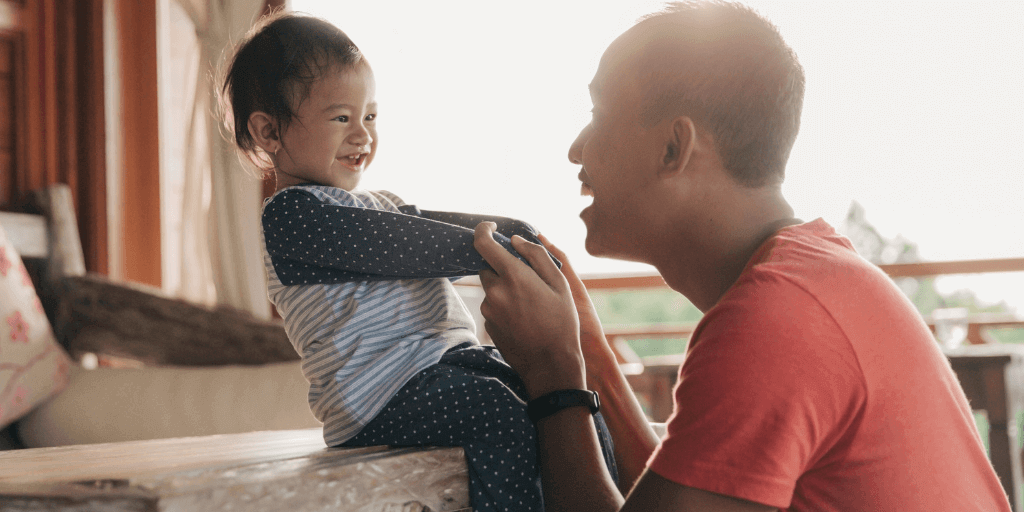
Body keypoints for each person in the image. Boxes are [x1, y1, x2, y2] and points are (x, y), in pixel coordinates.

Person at [471, 1, 1012, 511]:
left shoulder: (776, 324)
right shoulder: (817, 280)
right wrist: (587, 350)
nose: (576, 149)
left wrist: (554, 373)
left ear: (672, 149)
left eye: (600, 113)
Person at [219, 12, 617, 512]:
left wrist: (515, 229)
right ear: (269, 132)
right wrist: (496, 246)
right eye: (342, 118)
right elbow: (406, 246)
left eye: (371, 116)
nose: (362, 134)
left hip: (442, 370)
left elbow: (432, 226)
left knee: (565, 400)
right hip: (379, 397)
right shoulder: (293, 218)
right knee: (500, 412)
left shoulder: (379, 203)